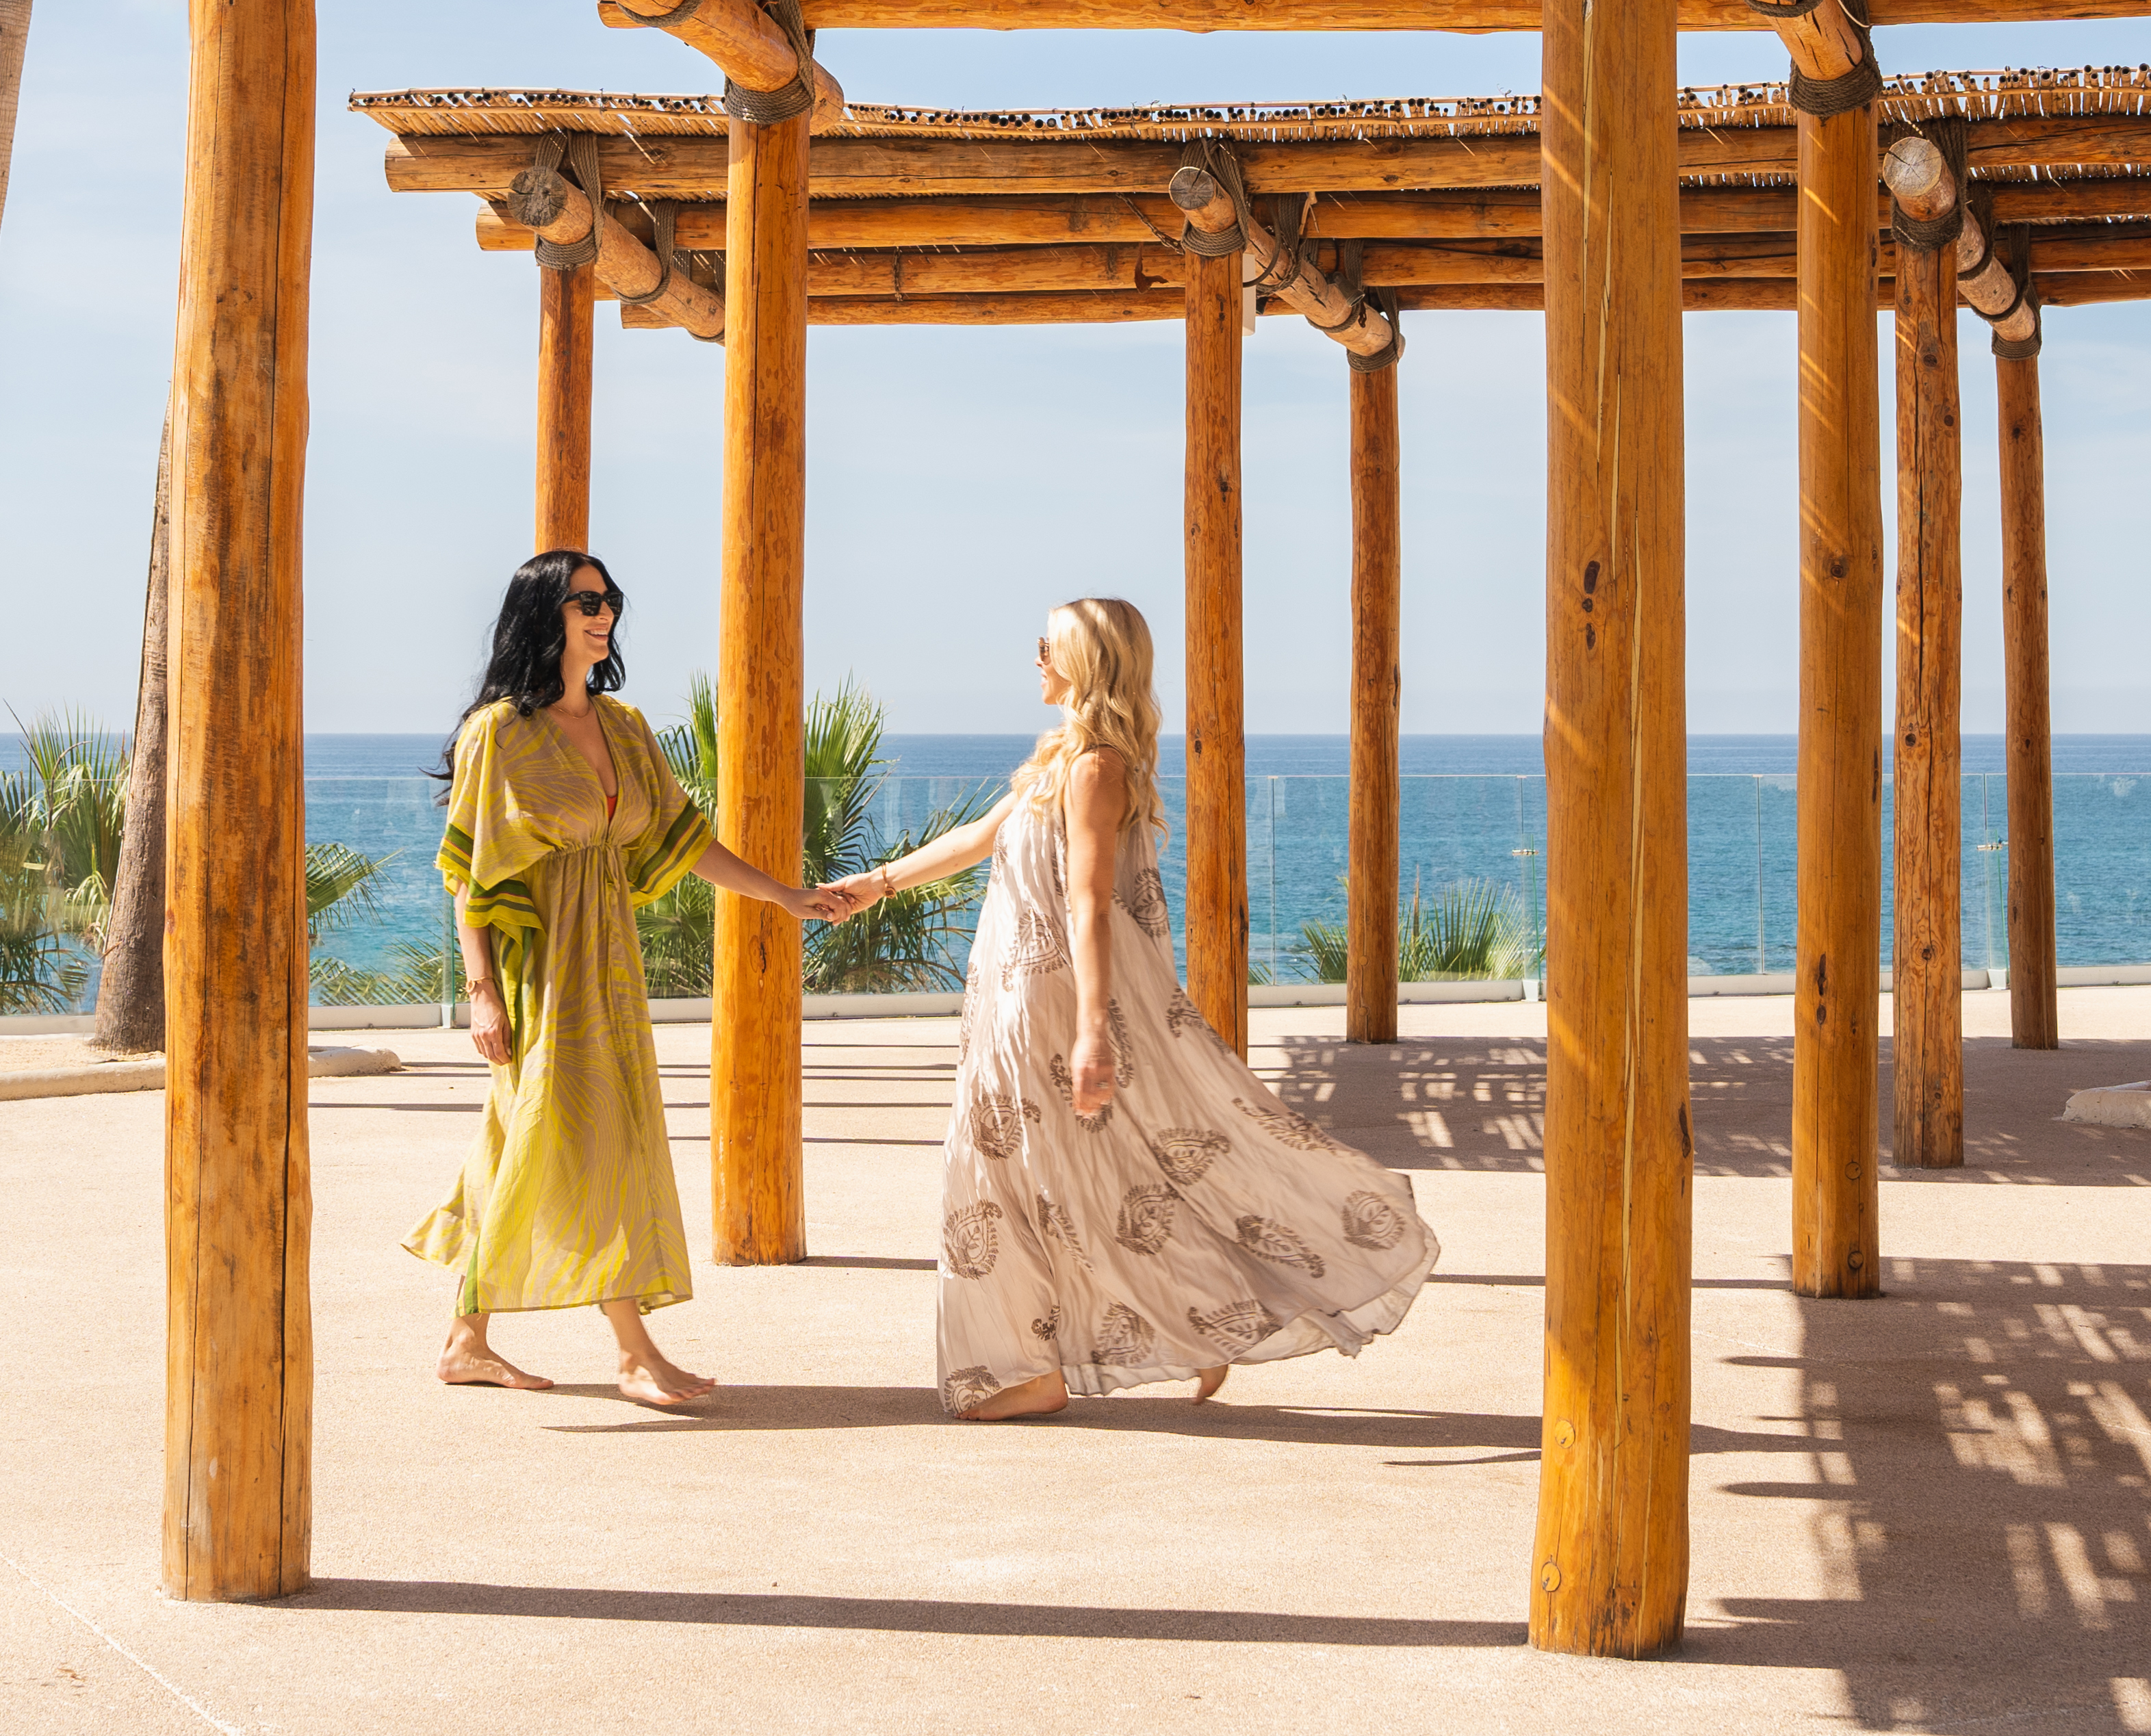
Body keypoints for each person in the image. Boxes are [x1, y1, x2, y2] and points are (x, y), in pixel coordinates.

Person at [809, 597, 1437, 1421]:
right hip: (1004, 999)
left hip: (1044, 1001)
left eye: (1048, 644)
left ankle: (1034, 1366)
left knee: (1043, 1173)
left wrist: (1093, 1028)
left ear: (1087, 660)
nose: (1034, 656)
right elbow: (975, 840)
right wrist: (872, 885)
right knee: (1047, 1176)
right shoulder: (1055, 762)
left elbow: (1089, 900)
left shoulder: (1098, 766)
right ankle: (1124, 1341)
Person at [407, 549, 829, 1412]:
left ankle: (466, 1340)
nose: (603, 614)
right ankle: (632, 1351)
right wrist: (480, 988)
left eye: (610, 601)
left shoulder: (626, 726)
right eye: (585, 601)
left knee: (542, 1141)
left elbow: (681, 840)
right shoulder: (500, 734)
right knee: (575, 1138)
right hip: (540, 968)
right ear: (543, 613)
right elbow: (470, 874)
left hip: (608, 962)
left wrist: (782, 894)